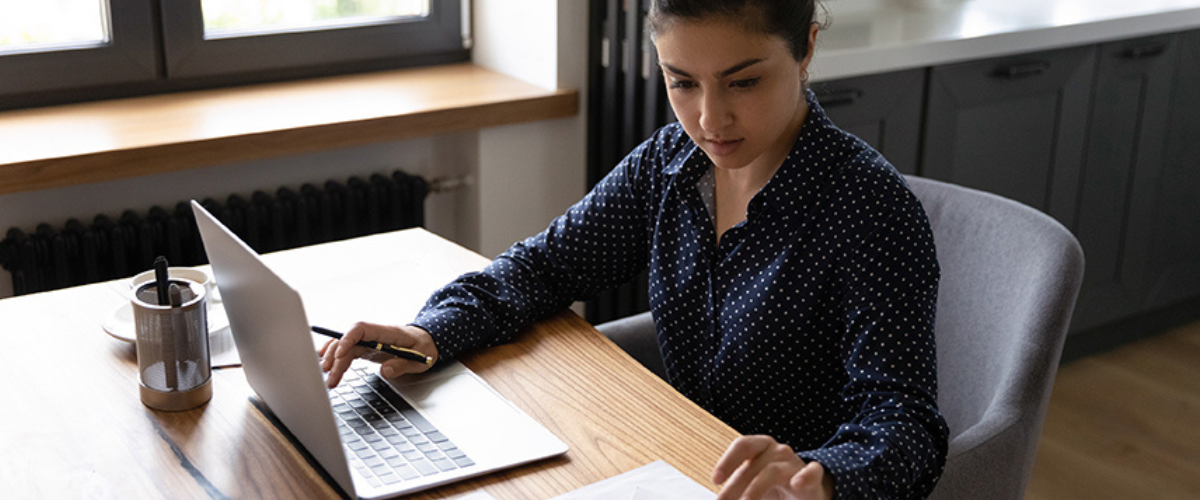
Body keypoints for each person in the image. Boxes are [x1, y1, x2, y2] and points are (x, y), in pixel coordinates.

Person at [321, 0, 949, 498]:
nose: (709, 120)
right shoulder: (669, 165)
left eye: (744, 82)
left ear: (806, 47)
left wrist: (819, 477)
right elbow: (542, 266)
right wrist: (429, 333)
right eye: (682, 83)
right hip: (673, 464)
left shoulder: (870, 211)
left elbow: (905, 424)